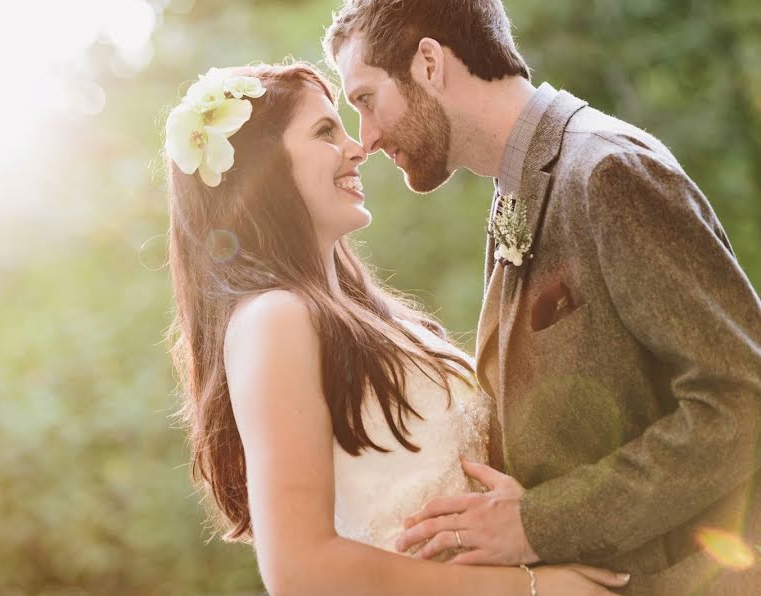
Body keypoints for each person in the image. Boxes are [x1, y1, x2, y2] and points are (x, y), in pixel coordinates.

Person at [323, 1, 761, 594]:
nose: (366, 138)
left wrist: (538, 524)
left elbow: (741, 402)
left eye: (366, 100)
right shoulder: (517, 191)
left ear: (429, 63)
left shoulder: (608, 171)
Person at [164, 61, 630, 594]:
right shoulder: (274, 318)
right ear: (261, 171)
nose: (358, 147)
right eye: (324, 131)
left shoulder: (373, 316)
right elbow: (299, 569)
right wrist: (536, 589)